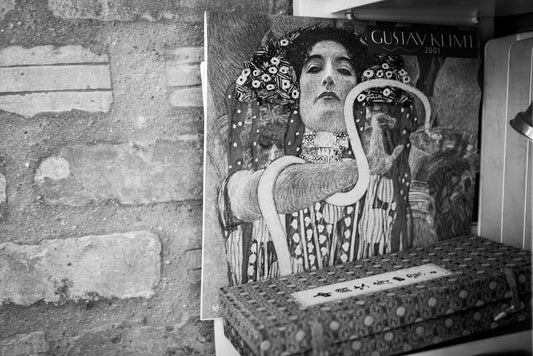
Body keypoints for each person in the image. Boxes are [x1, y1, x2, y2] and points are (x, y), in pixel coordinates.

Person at [216, 26, 420, 285]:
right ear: (296, 85)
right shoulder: (259, 166)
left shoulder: (387, 171)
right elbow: (259, 192)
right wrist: (359, 169)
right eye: (314, 68)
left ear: (358, 88)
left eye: (344, 70)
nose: (329, 78)